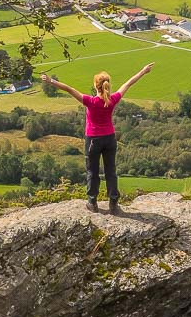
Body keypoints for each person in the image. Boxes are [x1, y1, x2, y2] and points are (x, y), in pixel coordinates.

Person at [41, 63, 153, 213]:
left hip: (93, 139)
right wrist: (143, 71)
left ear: (96, 86)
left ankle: (92, 203)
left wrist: (50, 81)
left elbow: (69, 89)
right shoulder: (113, 100)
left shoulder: (90, 101)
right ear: (107, 85)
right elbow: (128, 83)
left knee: (92, 171)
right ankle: (113, 203)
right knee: (110, 170)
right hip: (110, 139)